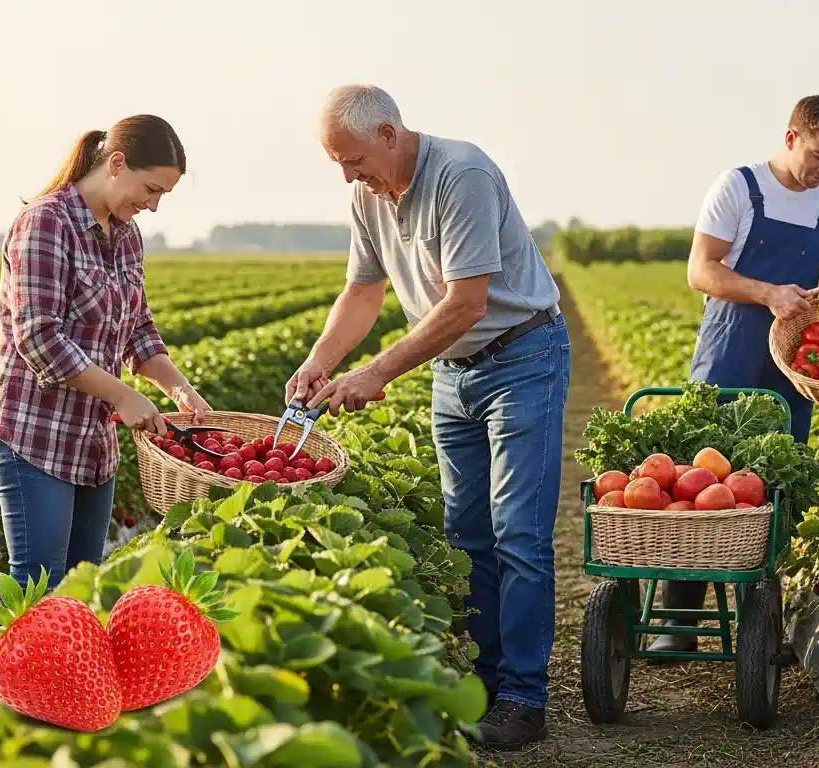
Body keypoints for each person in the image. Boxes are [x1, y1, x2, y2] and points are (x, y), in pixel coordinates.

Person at [284, 84, 569, 752]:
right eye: (338, 164)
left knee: (518, 532)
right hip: (453, 372)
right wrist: (322, 360)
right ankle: (489, 684)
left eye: (354, 160)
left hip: (521, 357)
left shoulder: (461, 175)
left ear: (389, 133)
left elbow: (467, 303)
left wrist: (376, 373)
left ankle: (525, 698)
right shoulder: (368, 195)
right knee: (467, 534)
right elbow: (363, 292)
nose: (348, 176)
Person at [649, 95, 819, 655]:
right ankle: (679, 623)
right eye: (818, 155)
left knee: (773, 493)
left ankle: (761, 632)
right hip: (728, 355)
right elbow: (701, 270)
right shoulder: (739, 187)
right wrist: (768, 293)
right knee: (699, 483)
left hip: (791, 368)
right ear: (792, 138)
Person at [0, 115, 212, 589]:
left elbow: (138, 331)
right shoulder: (46, 223)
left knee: (82, 589)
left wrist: (181, 391)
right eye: (151, 189)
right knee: (39, 587)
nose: (153, 205)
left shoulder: (127, 236)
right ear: (116, 163)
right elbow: (39, 337)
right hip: (33, 435)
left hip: (92, 444)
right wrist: (123, 395)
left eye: (163, 195)